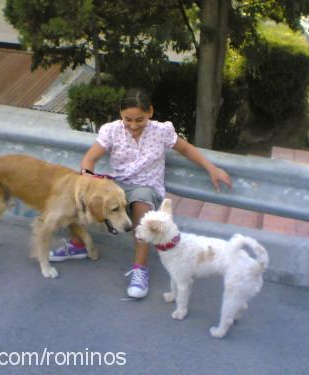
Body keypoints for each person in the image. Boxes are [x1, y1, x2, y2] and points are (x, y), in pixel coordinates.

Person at [50, 88, 232, 298]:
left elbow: (186, 149)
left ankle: (140, 269)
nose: (134, 125)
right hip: (117, 185)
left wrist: (212, 168)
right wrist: (89, 180)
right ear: (120, 113)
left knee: (141, 204)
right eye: (128, 119)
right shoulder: (111, 131)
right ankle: (79, 243)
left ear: (150, 112)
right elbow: (89, 159)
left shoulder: (161, 131)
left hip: (146, 187)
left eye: (140, 120)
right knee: (83, 197)